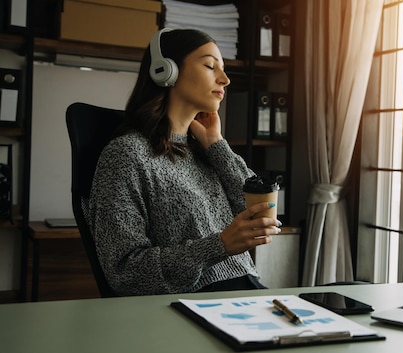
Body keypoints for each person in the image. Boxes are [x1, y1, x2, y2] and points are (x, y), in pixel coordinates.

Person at [88, 28, 281, 296]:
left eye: (222, 69)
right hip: (191, 307)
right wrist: (220, 245)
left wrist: (217, 145)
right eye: (210, 66)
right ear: (166, 71)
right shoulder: (126, 155)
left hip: (245, 294)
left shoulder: (206, 150)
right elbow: (125, 272)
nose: (224, 79)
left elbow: (261, 210)